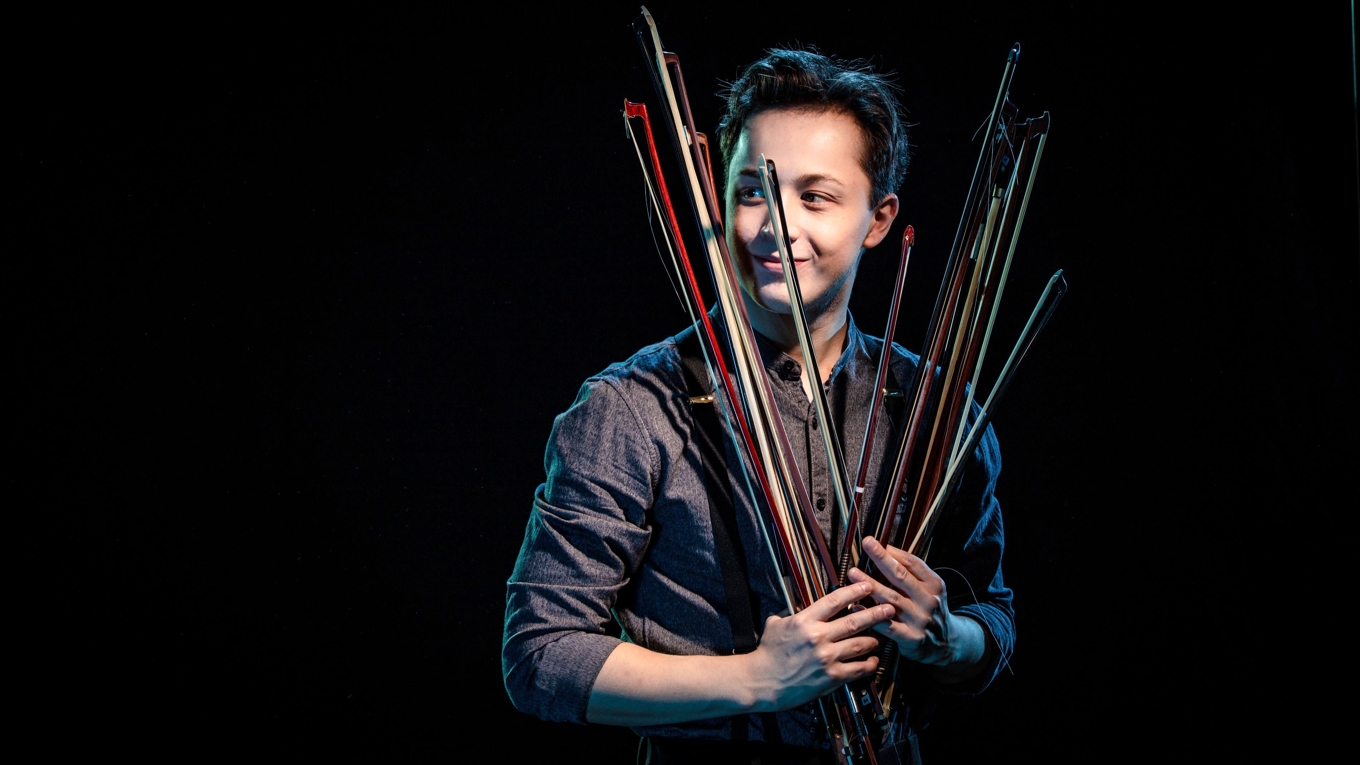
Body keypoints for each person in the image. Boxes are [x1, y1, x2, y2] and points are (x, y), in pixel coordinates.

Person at [502, 49, 1013, 764]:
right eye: (751, 192)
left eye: (816, 196)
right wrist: (754, 678)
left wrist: (949, 636)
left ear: (878, 218)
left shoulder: (940, 407)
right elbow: (540, 655)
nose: (776, 224)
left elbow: (992, 612)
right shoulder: (630, 406)